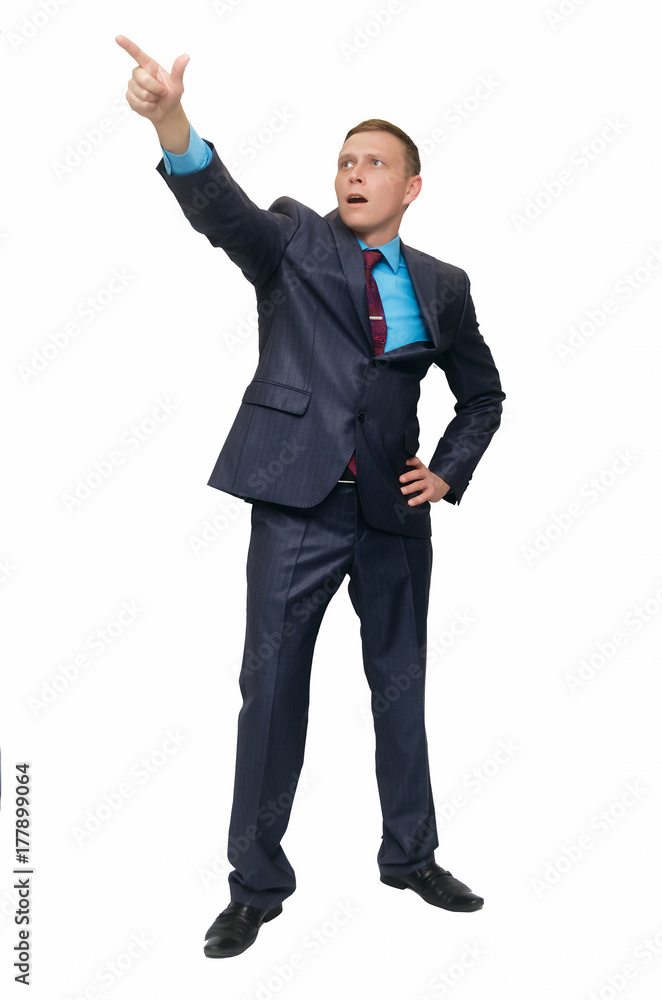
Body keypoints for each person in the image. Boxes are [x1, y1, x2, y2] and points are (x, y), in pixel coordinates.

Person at [116, 34, 506, 960]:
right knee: (271, 692)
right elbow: (221, 211)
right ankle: (255, 887)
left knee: (400, 689)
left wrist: (447, 471)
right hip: (297, 505)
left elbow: (484, 395)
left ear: (412, 187)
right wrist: (172, 121)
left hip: (394, 515)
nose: (354, 173)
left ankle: (412, 858)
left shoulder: (444, 286)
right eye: (345, 161)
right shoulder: (293, 241)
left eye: (375, 163)